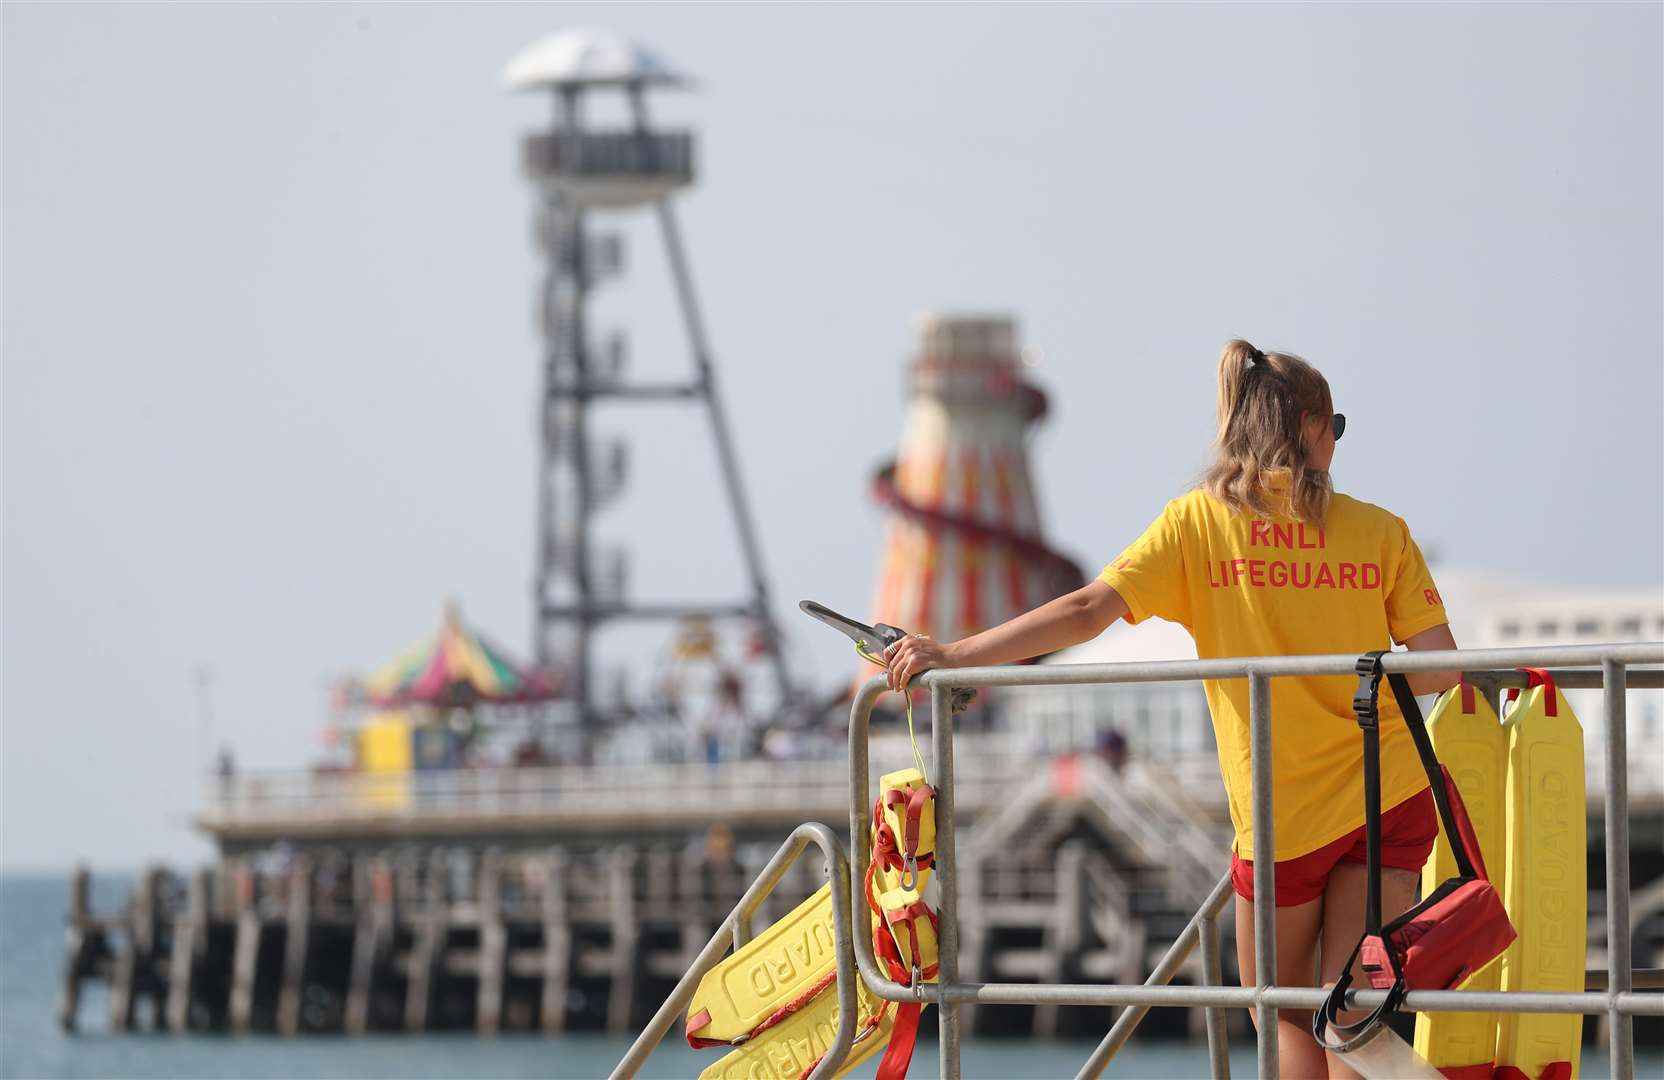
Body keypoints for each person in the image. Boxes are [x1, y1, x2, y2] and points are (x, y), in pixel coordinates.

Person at [883, 339, 1458, 1079]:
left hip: (1288, 810)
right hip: (1391, 792)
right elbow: (1440, 667)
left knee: (1279, 1008)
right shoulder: (1380, 532)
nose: (1337, 440)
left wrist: (957, 654)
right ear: (1309, 428)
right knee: (1349, 1007)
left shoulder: (1196, 525)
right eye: (1334, 425)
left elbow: (1088, 609)